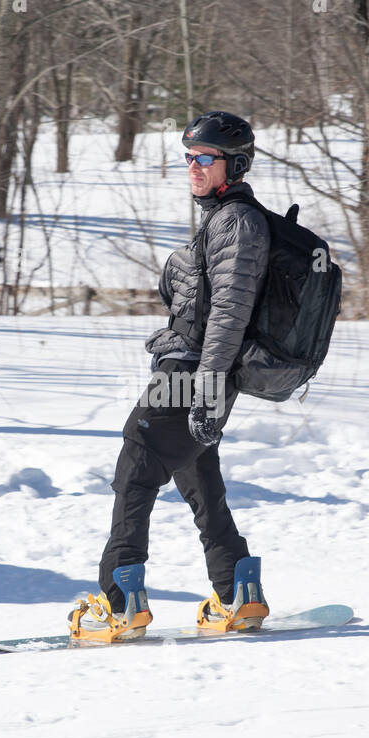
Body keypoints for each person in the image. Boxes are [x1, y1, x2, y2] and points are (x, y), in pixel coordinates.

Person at [76, 111, 270, 641]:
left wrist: (205, 389)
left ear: (235, 163)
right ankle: (238, 593)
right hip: (197, 372)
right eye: (189, 158)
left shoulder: (236, 223)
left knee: (136, 465)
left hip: (193, 373)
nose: (194, 167)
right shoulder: (224, 219)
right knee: (198, 473)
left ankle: (118, 604)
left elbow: (229, 312)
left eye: (206, 158)